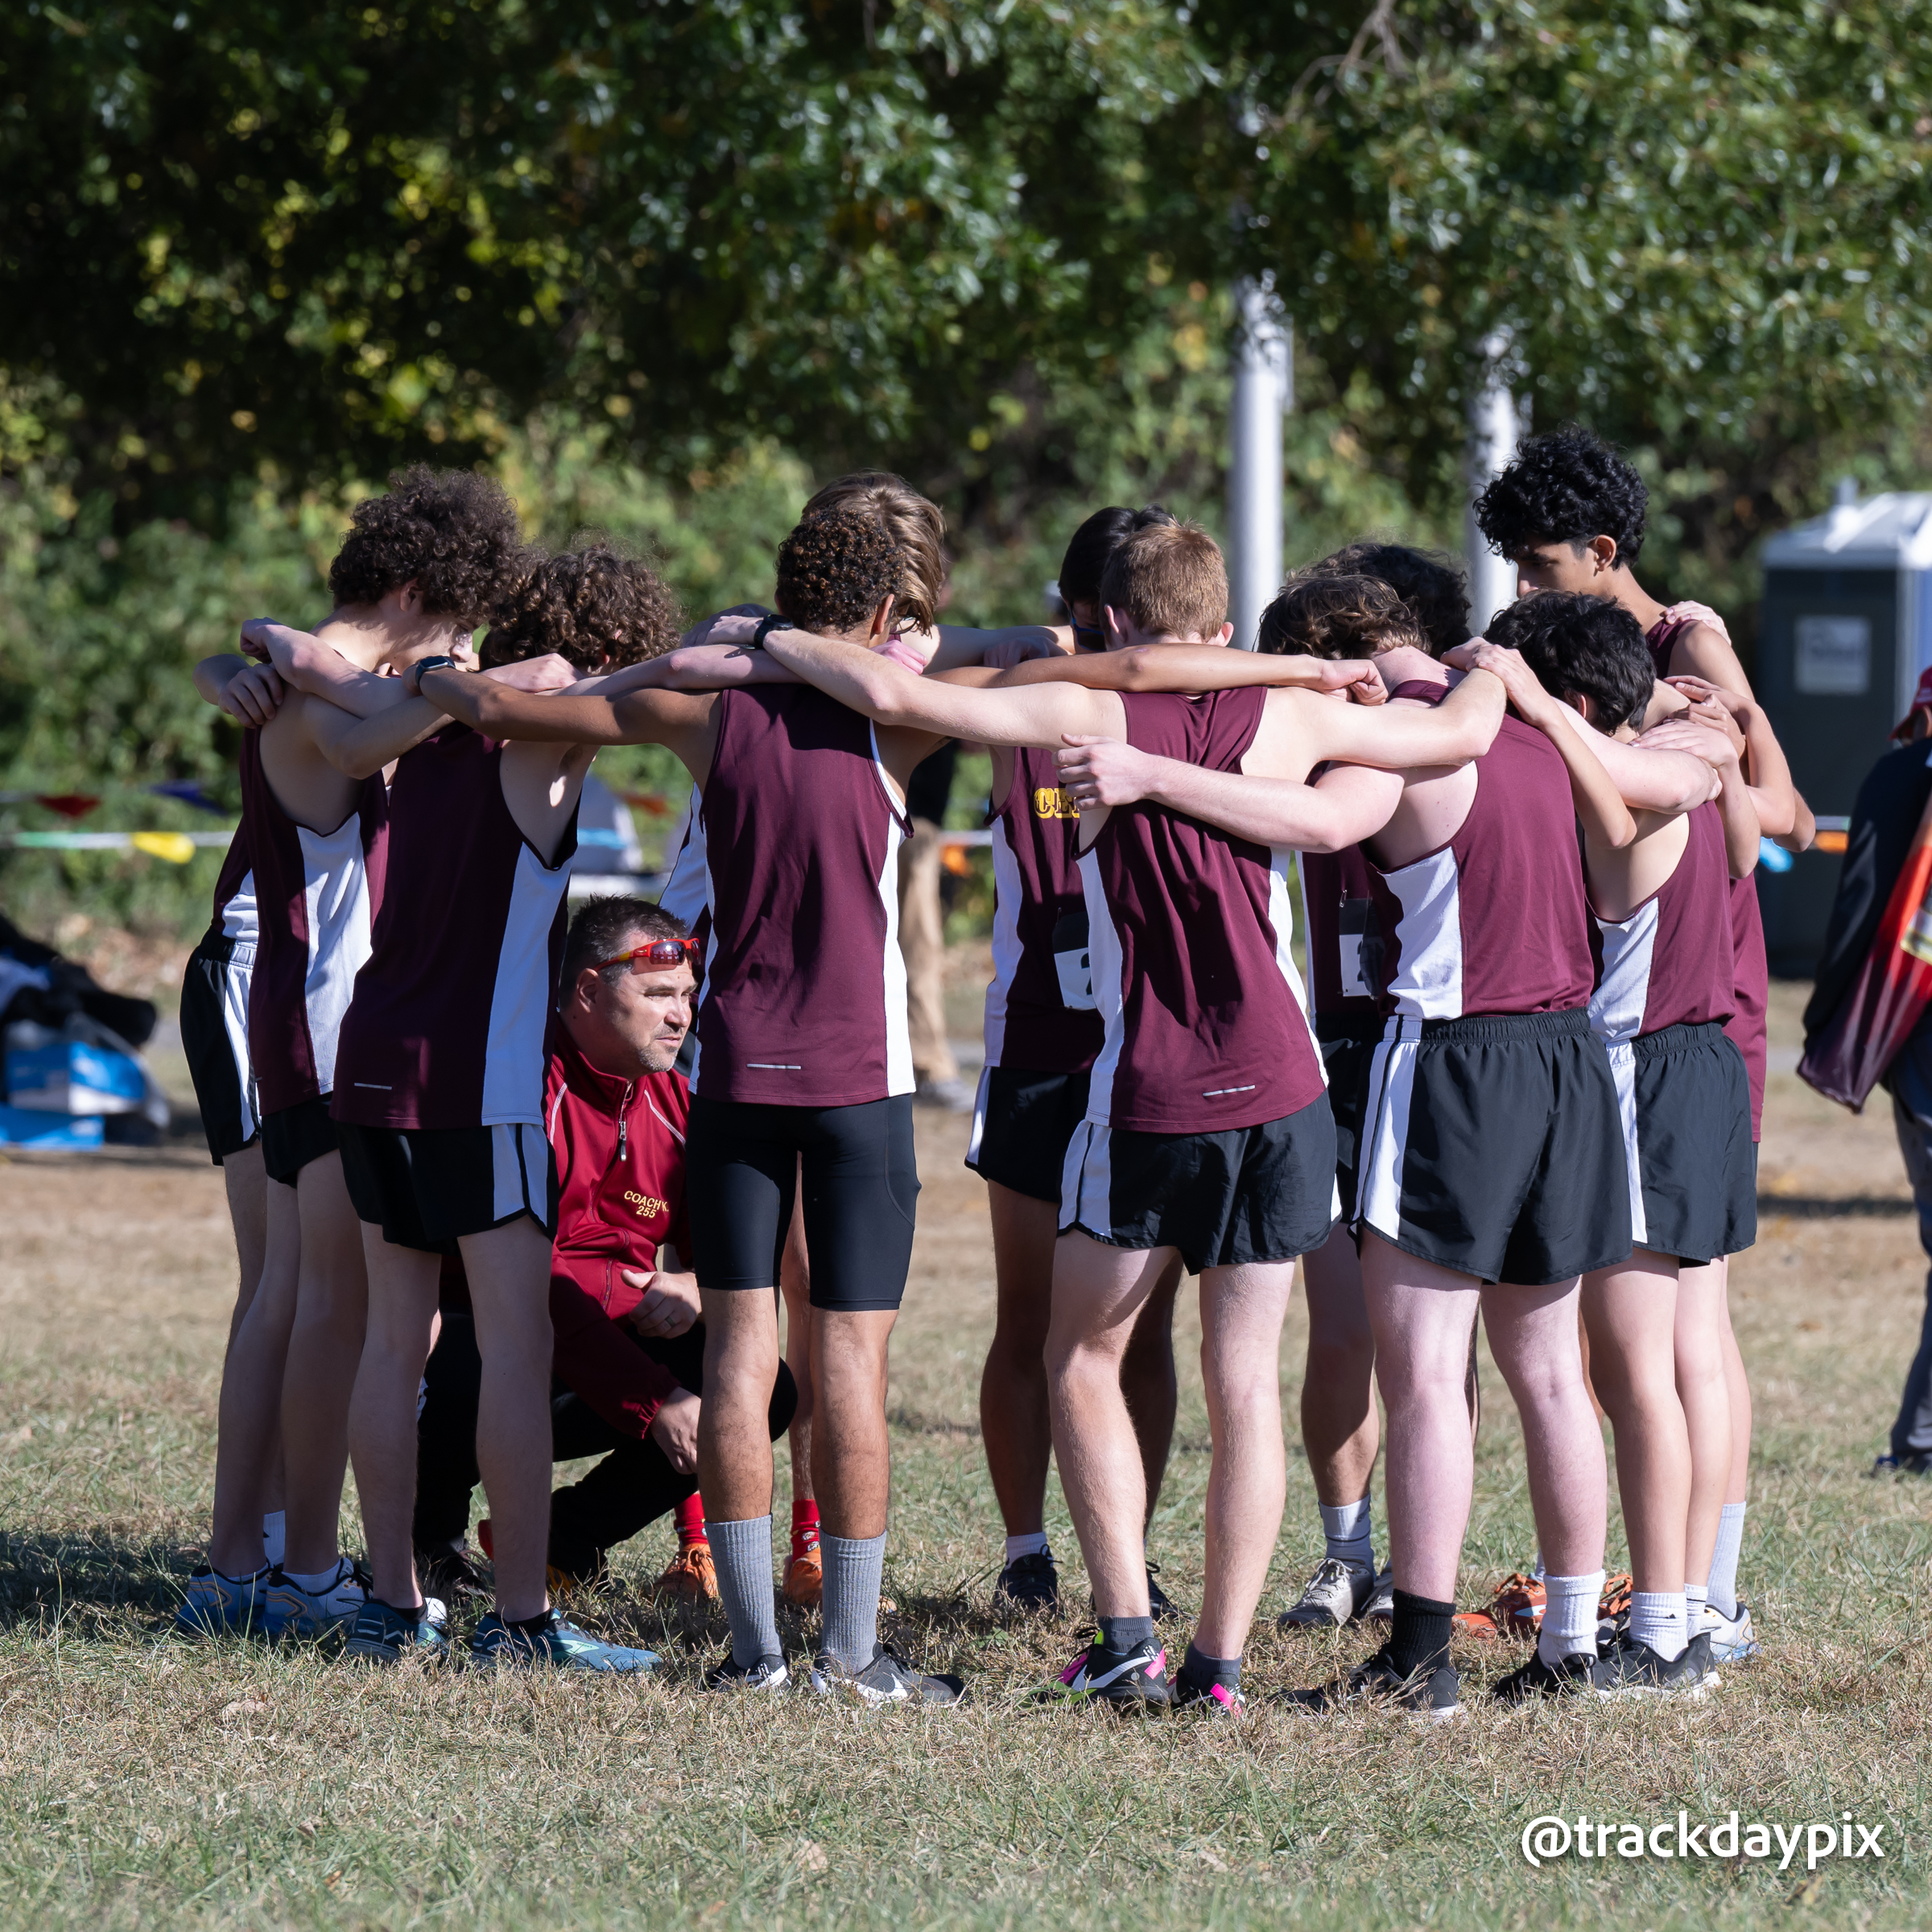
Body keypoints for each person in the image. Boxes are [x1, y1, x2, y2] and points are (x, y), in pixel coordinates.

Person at [750, 519, 1509, 1712]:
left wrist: (780, 638)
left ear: (1108, 622)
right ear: (1221, 624)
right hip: (1285, 1090)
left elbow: (906, 696)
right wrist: (1469, 671)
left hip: (1148, 1090)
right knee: (1243, 1380)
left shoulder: (1081, 710)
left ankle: (1126, 1638)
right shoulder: (1298, 716)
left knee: (1080, 1354)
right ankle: (1219, 1667)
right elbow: (1462, 733)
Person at [419, 508, 977, 1705]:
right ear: (886, 621)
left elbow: (511, 711)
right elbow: (1066, 659)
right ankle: (854, 1657)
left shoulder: (704, 710)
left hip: (730, 1080)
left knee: (740, 1355)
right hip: (860, 1089)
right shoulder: (906, 719)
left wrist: (431, 672)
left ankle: (757, 1655)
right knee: (851, 1363)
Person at [251, 542, 677, 1671]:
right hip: (476, 1085)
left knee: (398, 1340)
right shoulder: (547, 730)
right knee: (514, 1343)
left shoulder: (412, 715)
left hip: (372, 1066)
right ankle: (524, 1624)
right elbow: (648, 692)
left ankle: (392, 1607)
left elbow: (316, 667)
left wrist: (270, 643)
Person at [176, 468, 525, 1639]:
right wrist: (464, 684)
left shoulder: (304, 674)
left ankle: (246, 1562)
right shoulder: (324, 700)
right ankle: (303, 1566)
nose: (464, 644)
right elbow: (394, 724)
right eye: (458, 620)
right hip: (316, 1018)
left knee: (291, 1290)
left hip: (305, 1013)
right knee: (323, 1298)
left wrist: (260, 646)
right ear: (422, 591)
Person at [1475, 425, 1804, 1664]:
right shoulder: (1574, 656)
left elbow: (1786, 811)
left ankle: (1696, 1600)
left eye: (1537, 564)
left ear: (1604, 553)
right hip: (1665, 1009)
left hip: (1688, 1002)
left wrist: (1685, 744)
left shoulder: (1686, 647)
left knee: (1674, 1333)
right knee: (1673, 1325)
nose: (1520, 589)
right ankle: (1692, 1598)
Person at [1462, 596, 1754, 1698]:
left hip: (1644, 1081)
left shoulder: (1620, 795)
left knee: (1637, 1379)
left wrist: (1535, 706)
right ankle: (1684, 1616)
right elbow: (1726, 782)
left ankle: (1670, 1629)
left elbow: (1626, 828)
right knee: (1669, 1370)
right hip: (1700, 1070)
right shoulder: (1688, 754)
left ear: (1569, 704)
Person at [413, 898, 797, 1593]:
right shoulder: (523, 1088)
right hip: (491, 1345)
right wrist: (652, 1399)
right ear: (587, 991)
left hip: (591, 1358)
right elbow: (534, 1284)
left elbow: (730, 1257)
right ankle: (429, 1547)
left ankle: (564, 1539)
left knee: (765, 1388)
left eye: (686, 995)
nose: (682, 1015)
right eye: (658, 995)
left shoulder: (675, 1104)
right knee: (463, 1354)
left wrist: (695, 1288)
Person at [970, 506, 1187, 1620]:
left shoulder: (1199, 710)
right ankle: (1024, 1550)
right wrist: (1035, 647)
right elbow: (935, 666)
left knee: (1140, 1327)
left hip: (1150, 1055)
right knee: (1031, 1319)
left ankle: (1125, 1550)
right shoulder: (1025, 701)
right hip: (1043, 1053)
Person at [1262, 554, 1479, 1633]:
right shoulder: (1303, 736)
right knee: (1341, 1326)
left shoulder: (1445, 723)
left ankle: (1424, 1561)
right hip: (1332, 1044)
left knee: (1437, 1342)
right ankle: (1348, 1553)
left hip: (1433, 1045)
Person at [1805, 668, 1932, 1479]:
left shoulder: (1895, 776)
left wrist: (1831, 1029)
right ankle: (1918, 1440)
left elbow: (1856, 914)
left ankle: (1919, 1441)